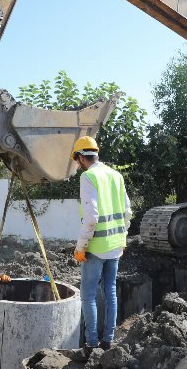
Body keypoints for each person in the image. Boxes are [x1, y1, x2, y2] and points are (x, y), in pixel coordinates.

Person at [70, 136, 132, 354]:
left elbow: (91, 218)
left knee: (87, 295)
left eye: (77, 160)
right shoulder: (116, 176)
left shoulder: (89, 177)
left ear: (80, 157)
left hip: (96, 247)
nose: (77, 165)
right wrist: (122, 238)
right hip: (115, 245)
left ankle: (92, 343)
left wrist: (80, 247)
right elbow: (128, 212)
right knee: (110, 291)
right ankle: (108, 341)